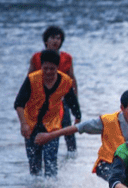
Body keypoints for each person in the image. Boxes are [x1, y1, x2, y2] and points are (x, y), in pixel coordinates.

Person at [34, 90, 128, 180]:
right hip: (106, 164)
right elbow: (78, 128)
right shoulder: (107, 121)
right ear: (122, 108)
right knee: (121, 178)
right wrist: (49, 136)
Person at [15, 49, 81, 177]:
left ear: (57, 67)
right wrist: (23, 124)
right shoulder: (32, 79)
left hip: (52, 125)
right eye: (45, 68)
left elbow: (72, 101)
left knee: (51, 161)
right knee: (34, 165)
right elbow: (19, 104)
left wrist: (77, 116)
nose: (48, 72)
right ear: (41, 66)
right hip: (31, 124)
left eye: (52, 69)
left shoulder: (65, 81)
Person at [28, 26, 79, 153]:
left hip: (62, 98)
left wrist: (75, 99)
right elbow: (29, 80)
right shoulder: (36, 57)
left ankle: (72, 156)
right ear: (46, 40)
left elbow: (72, 78)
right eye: (53, 38)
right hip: (41, 101)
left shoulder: (66, 58)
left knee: (67, 127)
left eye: (59, 38)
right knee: (41, 127)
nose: (56, 41)